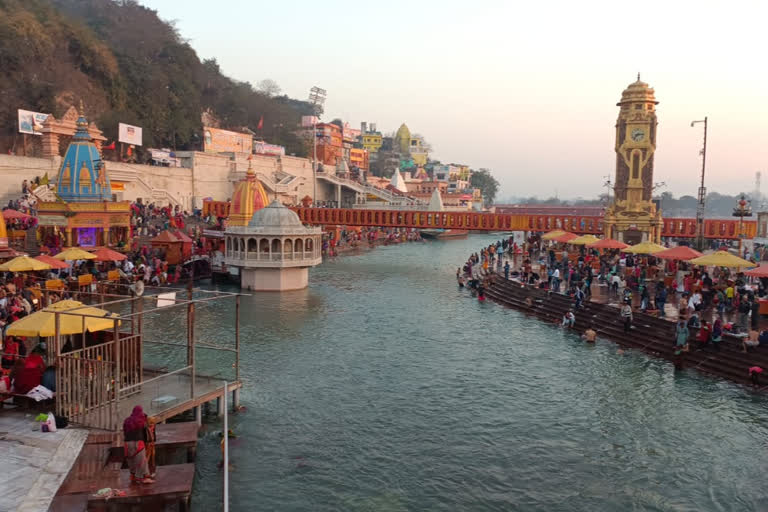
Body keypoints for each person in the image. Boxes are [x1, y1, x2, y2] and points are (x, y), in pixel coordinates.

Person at [123, 406, 155, 484]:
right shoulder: (141, 420)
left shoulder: (127, 421)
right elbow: (147, 430)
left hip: (127, 443)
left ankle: (133, 477)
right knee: (141, 461)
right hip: (138, 443)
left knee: (131, 460)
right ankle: (144, 477)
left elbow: (124, 432)